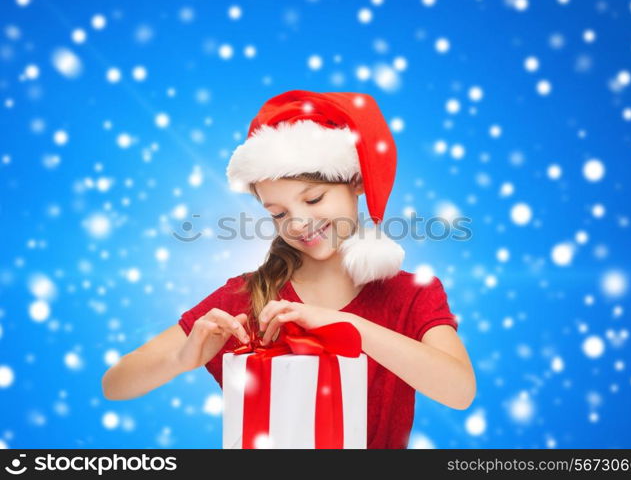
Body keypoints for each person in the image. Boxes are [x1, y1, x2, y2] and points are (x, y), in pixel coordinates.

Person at [102, 90, 476, 449]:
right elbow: (115, 384)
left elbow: (459, 391)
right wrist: (181, 359)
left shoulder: (409, 296)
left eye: (313, 198)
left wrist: (345, 328)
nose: (298, 223)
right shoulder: (248, 299)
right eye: (278, 213)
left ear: (357, 182)